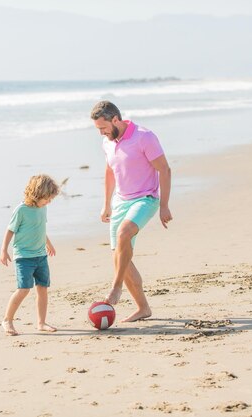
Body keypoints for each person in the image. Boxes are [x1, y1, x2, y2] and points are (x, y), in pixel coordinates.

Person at [90, 100, 172, 322]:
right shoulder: (108, 143)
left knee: (124, 233)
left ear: (115, 119)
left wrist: (164, 205)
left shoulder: (144, 137)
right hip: (121, 201)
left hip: (146, 198)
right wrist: (106, 204)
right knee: (120, 258)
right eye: (98, 129)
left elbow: (164, 169)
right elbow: (110, 171)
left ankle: (116, 289)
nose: (101, 133)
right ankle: (143, 308)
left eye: (103, 127)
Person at [0, 174, 60, 336]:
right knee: (24, 289)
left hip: (40, 255)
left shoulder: (43, 208)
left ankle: (41, 323)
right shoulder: (22, 210)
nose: (49, 202)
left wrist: (48, 243)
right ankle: (7, 320)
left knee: (43, 288)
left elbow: (40, 228)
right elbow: (10, 230)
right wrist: (4, 250)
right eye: (47, 198)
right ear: (37, 194)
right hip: (24, 257)